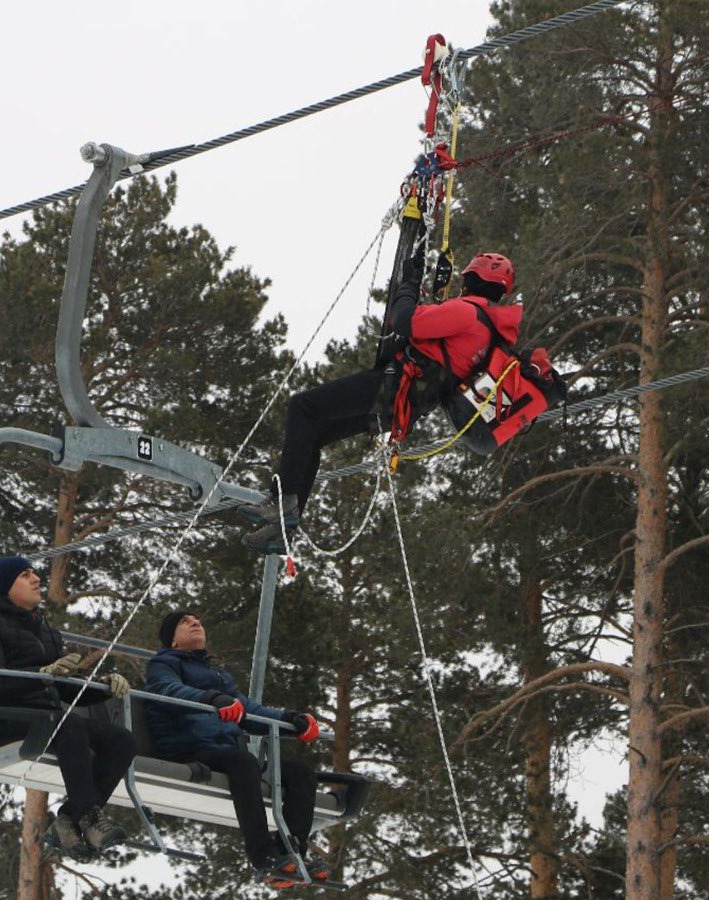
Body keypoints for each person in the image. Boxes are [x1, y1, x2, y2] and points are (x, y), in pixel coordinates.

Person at [242, 251, 564, 550]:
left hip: (394, 388)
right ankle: (284, 530)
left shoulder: (468, 314)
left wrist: (409, 283)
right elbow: (435, 334)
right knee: (314, 432)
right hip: (406, 408)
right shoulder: (490, 333)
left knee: (304, 407)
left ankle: (280, 503)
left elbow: (405, 320)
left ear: (473, 280)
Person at [0, 555, 136, 860]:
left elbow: (65, 686)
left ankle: (68, 819)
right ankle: (91, 818)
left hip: (47, 716)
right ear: (5, 587)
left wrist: (103, 687)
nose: (36, 579)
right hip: (4, 717)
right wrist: (41, 677)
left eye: (34, 573)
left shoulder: (42, 629)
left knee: (122, 740)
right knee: (69, 725)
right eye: (25, 575)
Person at [144, 610, 328, 886]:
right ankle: (262, 855)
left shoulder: (217, 675)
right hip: (190, 748)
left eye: (199, 621)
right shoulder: (163, 664)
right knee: (243, 762)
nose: (196, 623)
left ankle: (292, 853)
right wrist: (212, 698)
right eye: (185, 622)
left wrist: (290, 719)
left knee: (301, 773)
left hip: (227, 751)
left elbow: (249, 711)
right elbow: (167, 691)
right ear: (172, 641)